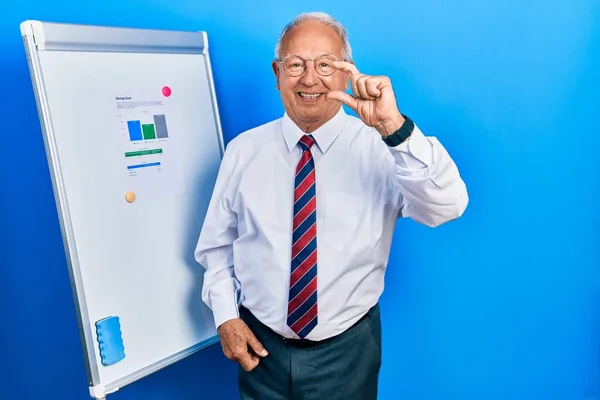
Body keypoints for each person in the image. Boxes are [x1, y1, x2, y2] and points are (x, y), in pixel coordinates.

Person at [194, 11, 468, 400]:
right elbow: (217, 246)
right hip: (260, 349)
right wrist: (226, 316)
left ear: (346, 75)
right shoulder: (243, 151)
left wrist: (395, 129)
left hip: (348, 351)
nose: (309, 79)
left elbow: (447, 206)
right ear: (277, 73)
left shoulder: (384, 148)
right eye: (296, 64)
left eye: (325, 65)